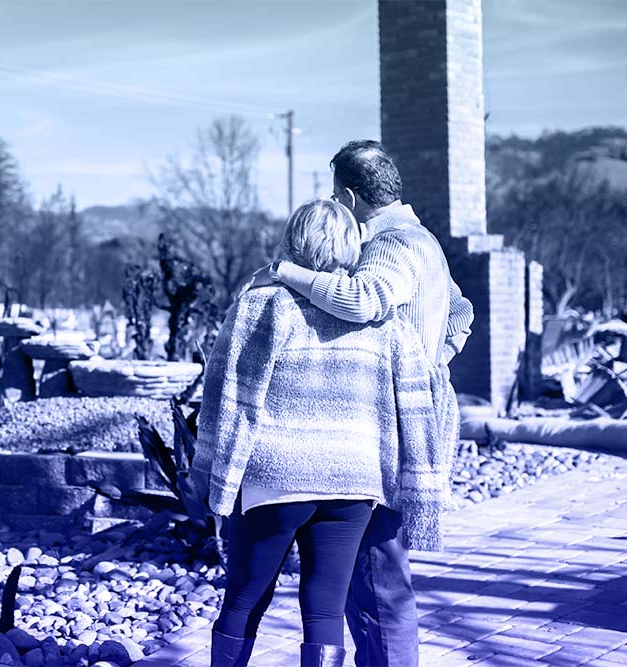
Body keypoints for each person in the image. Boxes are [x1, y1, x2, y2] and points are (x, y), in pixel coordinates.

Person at [193, 199, 453, 667]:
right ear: (354, 245)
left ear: (293, 240)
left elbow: (227, 393)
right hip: (352, 482)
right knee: (324, 611)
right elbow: (411, 402)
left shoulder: (261, 303)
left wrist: (212, 475)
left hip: (275, 478)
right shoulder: (382, 319)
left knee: (243, 601)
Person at [247, 140, 472, 667]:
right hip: (415, 410)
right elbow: (461, 310)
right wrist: (436, 358)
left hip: (394, 422)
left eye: (333, 196)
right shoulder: (425, 240)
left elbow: (364, 301)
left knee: (375, 576)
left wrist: (286, 273)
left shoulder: (390, 244)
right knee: (377, 571)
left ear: (348, 196)